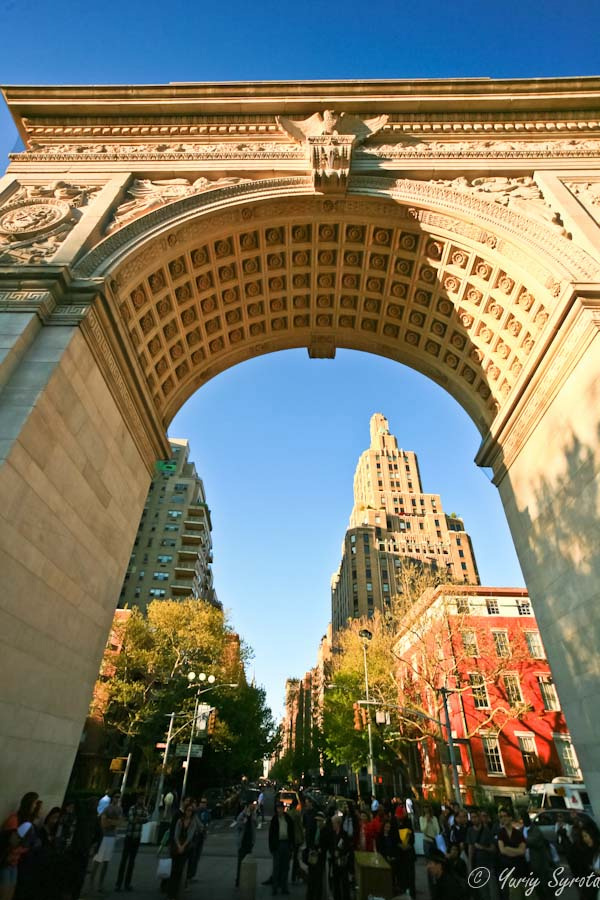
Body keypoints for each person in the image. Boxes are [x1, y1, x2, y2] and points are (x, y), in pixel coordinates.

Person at [89, 790, 122, 893]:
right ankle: (91, 882)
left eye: (118, 797)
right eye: (116, 797)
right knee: (98, 861)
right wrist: (113, 822)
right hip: (103, 837)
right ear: (112, 798)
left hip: (111, 837)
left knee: (106, 862)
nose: (117, 799)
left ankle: (100, 884)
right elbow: (103, 823)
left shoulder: (119, 809)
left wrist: (111, 822)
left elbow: (120, 822)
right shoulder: (107, 808)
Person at [115, 792, 148, 892]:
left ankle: (127, 883)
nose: (141, 801)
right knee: (124, 860)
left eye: (143, 799)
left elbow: (146, 819)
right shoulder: (132, 808)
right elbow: (131, 819)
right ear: (137, 799)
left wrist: (138, 819)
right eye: (140, 799)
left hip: (137, 837)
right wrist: (139, 819)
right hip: (129, 836)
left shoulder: (144, 809)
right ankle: (119, 884)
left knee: (131, 861)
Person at [168, 802, 199, 900]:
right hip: (177, 847)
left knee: (180, 870)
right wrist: (178, 845)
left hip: (185, 848)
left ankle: (175, 893)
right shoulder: (180, 821)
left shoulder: (192, 823)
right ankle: (170, 893)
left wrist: (183, 846)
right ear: (185, 811)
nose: (189, 812)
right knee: (174, 870)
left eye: (191, 810)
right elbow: (176, 834)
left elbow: (190, 836)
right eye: (187, 810)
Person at [466, 809, 498, 900]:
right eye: (471, 818)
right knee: (483, 893)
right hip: (477, 866)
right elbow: (470, 849)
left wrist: (482, 847)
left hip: (488, 865)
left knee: (493, 893)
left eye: (475, 817)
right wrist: (470, 866)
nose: (473, 820)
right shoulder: (470, 831)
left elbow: (493, 848)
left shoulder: (486, 830)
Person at [497, 809, 527, 900]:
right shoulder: (501, 833)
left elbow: (522, 851)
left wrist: (509, 849)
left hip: (522, 867)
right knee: (514, 894)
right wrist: (516, 851)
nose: (503, 819)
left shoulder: (518, 833)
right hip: (509, 868)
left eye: (505, 816)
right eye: (501, 817)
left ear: (510, 817)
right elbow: (502, 850)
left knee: (528, 893)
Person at [268, 801, 294, 895]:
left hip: (286, 844)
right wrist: (272, 847)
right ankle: (275, 887)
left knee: (285, 867)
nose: (279, 810)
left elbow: (292, 833)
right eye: (278, 808)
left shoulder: (288, 818)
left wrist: (291, 846)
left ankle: (284, 887)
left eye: (281, 808)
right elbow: (271, 835)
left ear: (283, 809)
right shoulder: (274, 819)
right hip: (277, 844)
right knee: (276, 867)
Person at [234, 801, 257, 888]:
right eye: (251, 805)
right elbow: (238, 825)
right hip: (242, 841)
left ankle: (246, 878)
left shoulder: (254, 814)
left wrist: (252, 818)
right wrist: (245, 819)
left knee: (248, 861)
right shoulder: (242, 815)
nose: (253, 806)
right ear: (247, 806)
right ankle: (238, 879)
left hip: (250, 841)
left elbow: (256, 824)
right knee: (240, 861)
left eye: (253, 805)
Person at [328, 814, 352, 900]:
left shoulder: (344, 834)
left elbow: (347, 847)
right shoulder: (332, 833)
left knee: (344, 882)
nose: (332, 825)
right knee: (336, 882)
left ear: (338, 823)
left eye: (333, 823)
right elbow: (330, 845)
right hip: (334, 861)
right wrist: (332, 852)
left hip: (342, 862)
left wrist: (340, 853)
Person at [306, 812, 328, 900]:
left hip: (320, 858)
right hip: (312, 856)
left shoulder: (325, 830)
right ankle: (310, 896)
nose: (318, 822)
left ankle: (317, 896)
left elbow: (326, 843)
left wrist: (320, 849)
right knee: (311, 878)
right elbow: (309, 838)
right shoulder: (314, 828)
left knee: (318, 879)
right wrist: (311, 847)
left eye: (320, 821)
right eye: (317, 821)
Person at [397, 814, 416, 899]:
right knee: (405, 875)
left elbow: (412, 840)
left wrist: (405, 846)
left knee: (409, 876)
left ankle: (410, 893)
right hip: (403, 855)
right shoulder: (399, 826)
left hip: (407, 854)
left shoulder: (407, 826)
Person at [288, 800, 305, 884]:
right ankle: (295, 875)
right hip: (297, 838)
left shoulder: (288, 814)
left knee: (290, 857)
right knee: (295, 857)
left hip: (289, 838)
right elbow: (300, 826)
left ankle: (295, 875)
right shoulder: (297, 814)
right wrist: (302, 837)